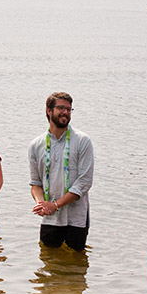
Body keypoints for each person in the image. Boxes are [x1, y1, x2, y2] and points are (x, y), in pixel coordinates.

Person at [29, 92, 94, 251]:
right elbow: (35, 183)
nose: (65, 112)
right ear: (48, 110)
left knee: (76, 266)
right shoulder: (36, 144)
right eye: (61, 108)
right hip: (49, 219)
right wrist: (41, 204)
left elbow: (84, 182)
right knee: (49, 263)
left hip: (76, 219)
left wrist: (55, 205)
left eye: (69, 109)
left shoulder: (82, 141)